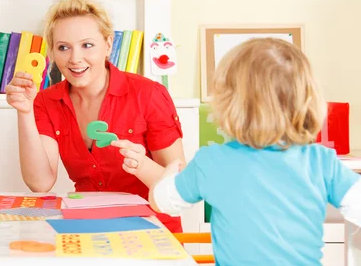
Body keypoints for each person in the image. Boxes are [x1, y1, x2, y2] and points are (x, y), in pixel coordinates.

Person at [115, 38, 361, 265]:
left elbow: (163, 201)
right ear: (308, 100)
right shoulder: (322, 162)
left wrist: (168, 174)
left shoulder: (212, 161)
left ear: (227, 104)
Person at [6, 0, 186, 232]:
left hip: (153, 229)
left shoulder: (149, 94)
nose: (75, 58)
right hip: (88, 227)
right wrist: (24, 112)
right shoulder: (45, 102)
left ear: (108, 45)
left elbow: (180, 187)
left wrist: (141, 164)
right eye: (63, 48)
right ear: (52, 53)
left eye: (87, 45)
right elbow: (40, 183)